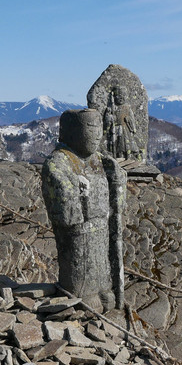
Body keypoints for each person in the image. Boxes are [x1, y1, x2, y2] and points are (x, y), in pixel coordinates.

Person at [42, 109, 126, 311]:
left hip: (102, 230)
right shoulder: (59, 162)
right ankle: (79, 293)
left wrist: (117, 178)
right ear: (72, 130)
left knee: (103, 272)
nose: (97, 134)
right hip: (79, 235)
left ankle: (103, 288)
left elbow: (117, 200)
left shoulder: (100, 161)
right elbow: (67, 213)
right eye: (90, 127)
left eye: (99, 128)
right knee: (82, 268)